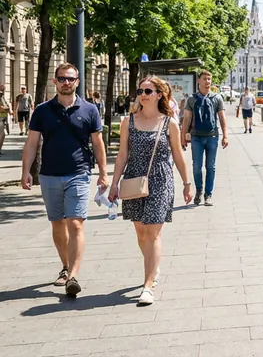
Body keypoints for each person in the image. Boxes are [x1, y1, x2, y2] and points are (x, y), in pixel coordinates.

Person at [20, 63, 108, 297]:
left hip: (79, 173)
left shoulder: (89, 109)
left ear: (77, 81)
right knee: (57, 223)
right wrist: (26, 171)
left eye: (70, 78)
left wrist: (103, 172)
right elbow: (31, 142)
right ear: (55, 82)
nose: (66, 82)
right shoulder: (42, 110)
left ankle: (73, 276)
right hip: (49, 174)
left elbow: (98, 143)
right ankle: (66, 266)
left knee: (76, 222)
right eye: (62, 78)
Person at [108, 76, 191, 305]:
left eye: (148, 90)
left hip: (161, 180)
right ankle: (153, 266)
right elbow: (123, 155)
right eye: (141, 90)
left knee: (152, 232)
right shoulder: (128, 122)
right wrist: (114, 183)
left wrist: (186, 183)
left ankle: (147, 285)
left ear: (159, 95)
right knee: (141, 233)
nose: (143, 94)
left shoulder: (169, 123)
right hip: (134, 180)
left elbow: (178, 154)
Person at [181, 70, 228, 206]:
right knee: (197, 167)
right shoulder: (192, 99)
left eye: (209, 79)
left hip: (212, 137)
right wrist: (183, 136)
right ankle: (199, 191)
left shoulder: (217, 98)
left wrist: (225, 135)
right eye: (205, 79)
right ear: (199, 81)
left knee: (210, 167)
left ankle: (208, 194)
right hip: (196, 137)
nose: (208, 81)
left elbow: (222, 118)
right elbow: (187, 119)